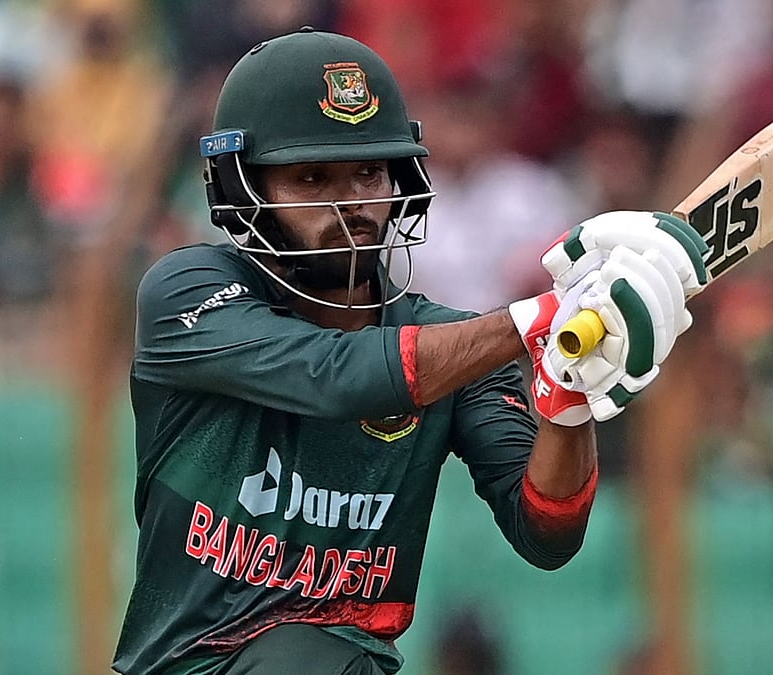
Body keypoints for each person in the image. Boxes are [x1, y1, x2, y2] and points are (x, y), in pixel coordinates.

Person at [112, 28, 707, 675]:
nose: (351, 204)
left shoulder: (455, 347)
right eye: (313, 177)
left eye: (369, 171)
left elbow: (547, 529)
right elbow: (337, 376)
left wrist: (568, 395)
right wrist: (543, 315)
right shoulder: (187, 291)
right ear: (243, 190)